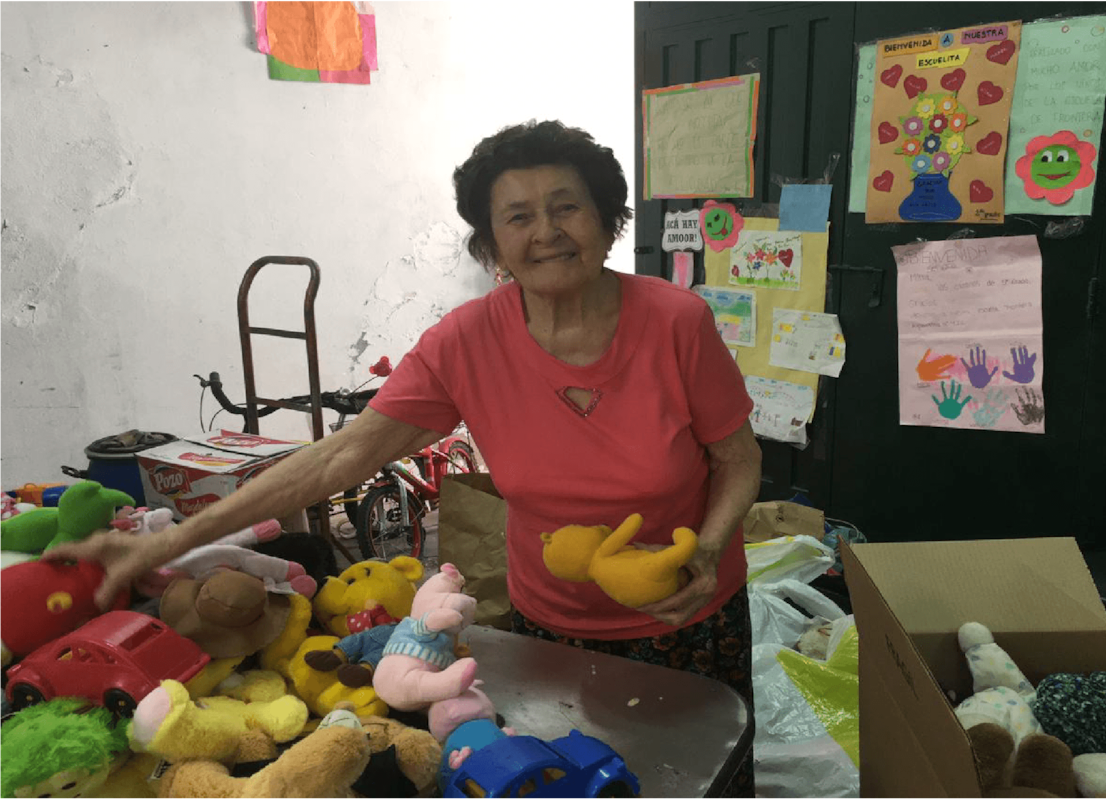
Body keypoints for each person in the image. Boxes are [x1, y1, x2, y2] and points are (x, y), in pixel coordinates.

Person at [48, 120, 762, 796]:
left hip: (688, 619)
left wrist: (709, 546)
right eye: (517, 217)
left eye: (566, 207)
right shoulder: (466, 343)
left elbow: (737, 460)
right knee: (561, 784)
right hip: (553, 629)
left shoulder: (676, 323)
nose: (546, 232)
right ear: (491, 245)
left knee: (696, 779)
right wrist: (174, 540)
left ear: (607, 220)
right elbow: (340, 457)